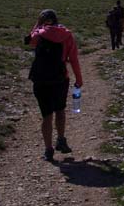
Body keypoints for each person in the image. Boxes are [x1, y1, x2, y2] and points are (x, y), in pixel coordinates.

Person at [24, 9, 83, 162]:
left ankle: (48, 150)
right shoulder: (67, 34)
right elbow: (74, 59)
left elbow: (29, 41)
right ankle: (61, 140)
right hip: (60, 79)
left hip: (41, 79)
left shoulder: (39, 33)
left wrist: (37, 24)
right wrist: (79, 78)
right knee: (60, 110)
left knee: (47, 115)